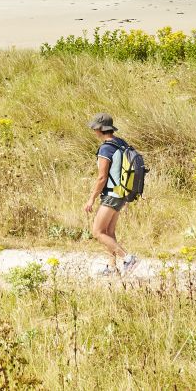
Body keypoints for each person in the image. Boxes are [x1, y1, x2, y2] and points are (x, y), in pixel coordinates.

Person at [84, 113, 139, 276]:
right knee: (108, 231)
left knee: (98, 232)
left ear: (101, 129)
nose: (93, 130)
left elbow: (102, 177)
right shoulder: (121, 143)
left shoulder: (106, 148)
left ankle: (128, 258)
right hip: (122, 193)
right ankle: (112, 267)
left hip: (112, 194)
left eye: (95, 128)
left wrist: (91, 199)